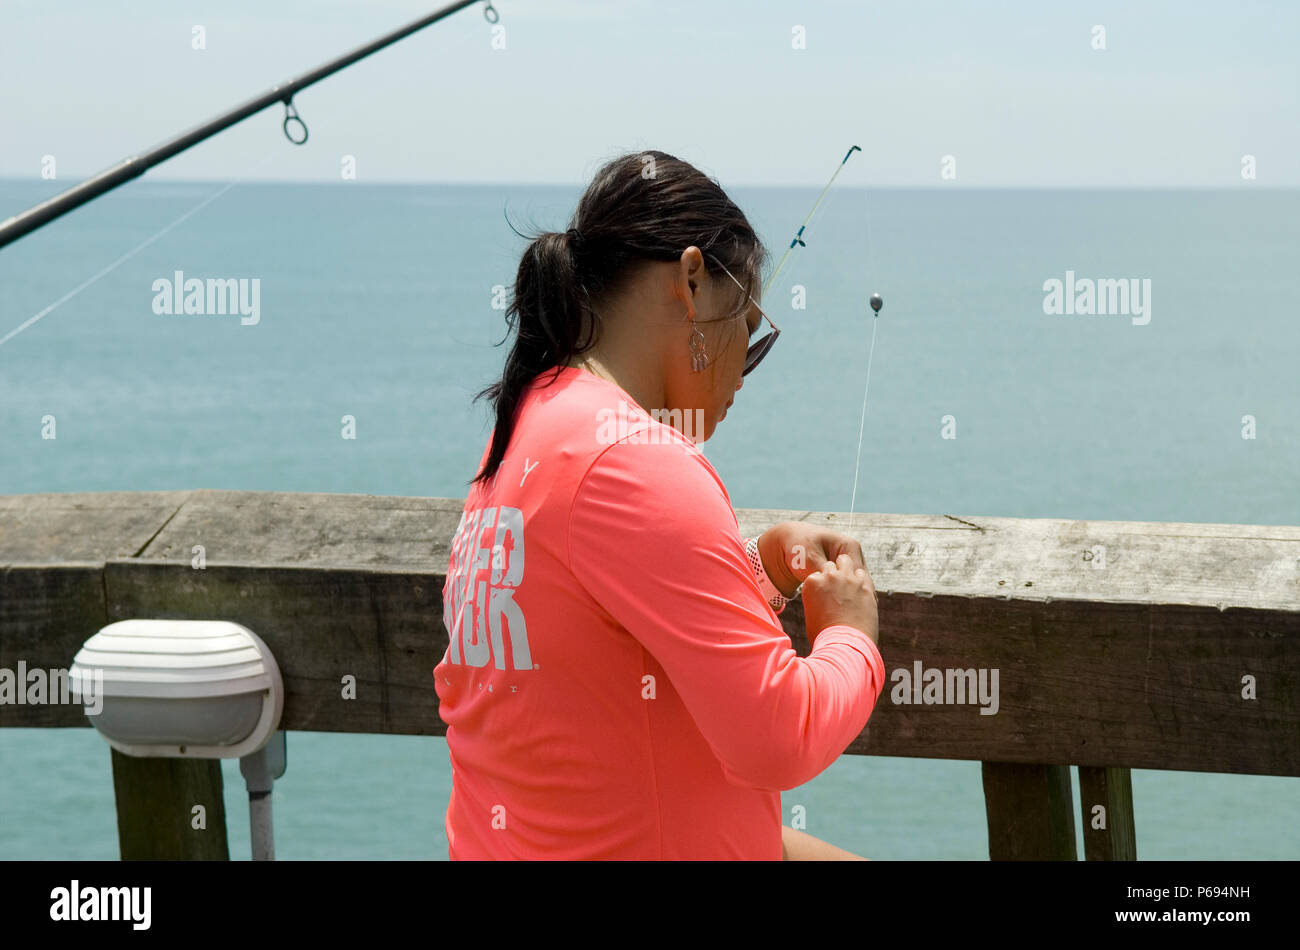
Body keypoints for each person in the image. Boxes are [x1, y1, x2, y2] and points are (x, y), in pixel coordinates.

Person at [436, 149, 883, 860]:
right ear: (694, 279)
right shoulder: (634, 460)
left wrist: (756, 573)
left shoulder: (528, 427)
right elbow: (776, 738)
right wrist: (851, 637)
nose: (745, 367)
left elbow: (598, 635)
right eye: (750, 329)